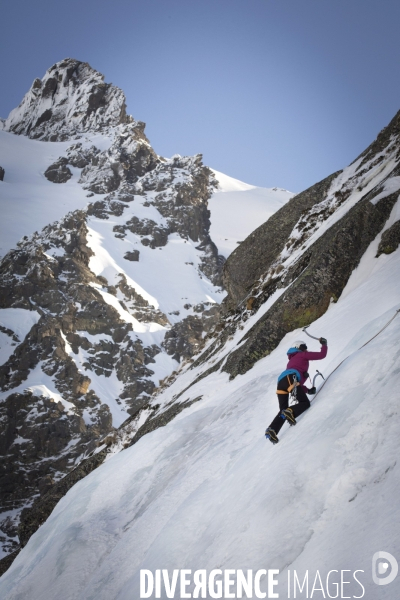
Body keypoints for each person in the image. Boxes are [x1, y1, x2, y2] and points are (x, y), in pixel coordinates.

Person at [265, 337, 328, 444]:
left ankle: (272, 429)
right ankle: (290, 412)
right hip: (290, 379)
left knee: (283, 409)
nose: (306, 350)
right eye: (304, 347)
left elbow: (297, 386)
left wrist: (307, 390)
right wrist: (324, 345)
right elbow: (322, 355)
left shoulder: (292, 361)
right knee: (304, 403)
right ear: (298, 348)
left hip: (281, 383)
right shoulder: (301, 355)